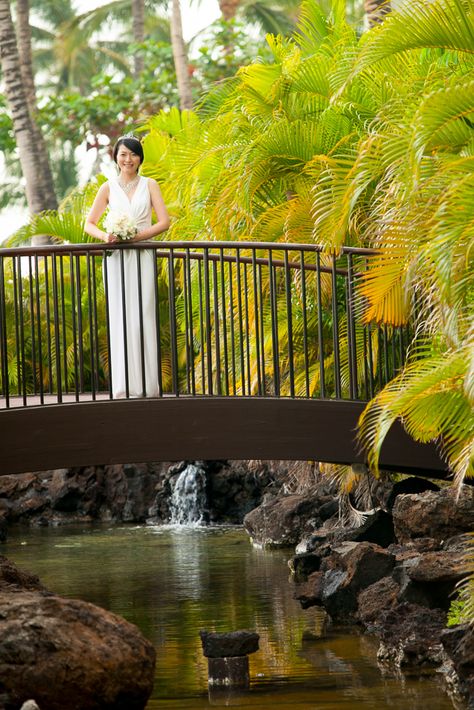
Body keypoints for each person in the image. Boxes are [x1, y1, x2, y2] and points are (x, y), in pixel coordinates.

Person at [85, 135, 170, 398]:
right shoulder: (107, 188)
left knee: (143, 316)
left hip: (143, 255)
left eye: (133, 154)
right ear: (116, 158)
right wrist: (106, 236)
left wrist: (136, 237)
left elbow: (164, 222)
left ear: (140, 158)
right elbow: (89, 223)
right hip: (116, 260)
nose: (128, 159)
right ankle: (123, 387)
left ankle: (147, 385)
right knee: (121, 317)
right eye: (123, 154)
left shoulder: (150, 184)